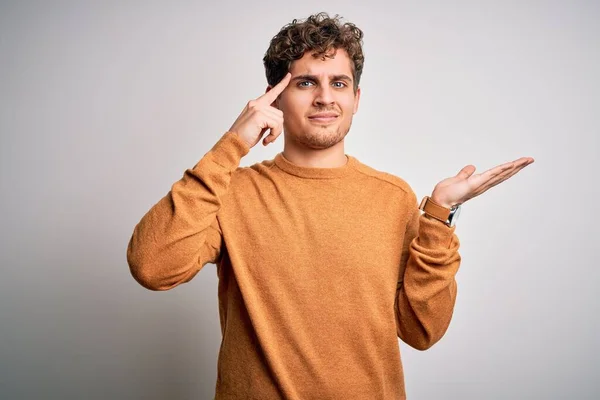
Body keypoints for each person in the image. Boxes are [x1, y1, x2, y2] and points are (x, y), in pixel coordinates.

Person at [126, 12, 534, 400]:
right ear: (275, 98)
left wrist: (439, 216)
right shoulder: (232, 192)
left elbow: (422, 330)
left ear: (356, 98)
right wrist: (232, 144)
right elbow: (152, 266)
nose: (325, 98)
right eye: (305, 83)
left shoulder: (393, 198)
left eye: (339, 84)